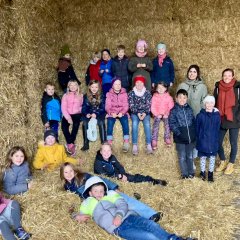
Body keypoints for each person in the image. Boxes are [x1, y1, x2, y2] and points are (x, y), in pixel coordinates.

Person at [75, 176, 194, 240]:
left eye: (101, 190)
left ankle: (175, 239)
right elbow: (78, 215)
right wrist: (76, 216)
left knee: (151, 225)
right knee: (148, 237)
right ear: (90, 193)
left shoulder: (109, 195)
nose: (99, 193)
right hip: (118, 228)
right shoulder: (87, 204)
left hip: (129, 217)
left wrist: (119, 215)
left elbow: (122, 204)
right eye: (96, 191)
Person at [60, 162, 161, 221]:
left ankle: (151, 214)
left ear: (75, 171)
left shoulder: (83, 176)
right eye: (66, 172)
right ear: (62, 174)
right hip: (96, 201)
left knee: (125, 200)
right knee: (120, 212)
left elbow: (100, 179)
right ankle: (142, 220)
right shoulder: (67, 187)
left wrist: (113, 187)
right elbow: (72, 201)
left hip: (103, 192)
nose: (69, 174)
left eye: (71, 171)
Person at [177, 65, 207, 168]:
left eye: (194, 72)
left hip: (197, 116)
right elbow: (177, 99)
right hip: (184, 117)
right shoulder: (182, 85)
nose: (192, 74)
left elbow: (204, 101)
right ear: (187, 72)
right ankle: (186, 160)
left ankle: (192, 160)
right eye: (190, 71)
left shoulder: (202, 87)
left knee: (195, 139)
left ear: (197, 74)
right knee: (187, 138)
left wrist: (202, 115)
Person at [94, 143, 167, 186]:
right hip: (109, 181)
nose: (106, 153)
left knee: (134, 177)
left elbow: (119, 166)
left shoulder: (112, 157)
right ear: (100, 152)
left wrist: (123, 175)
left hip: (118, 174)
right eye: (104, 151)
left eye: (108, 150)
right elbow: (104, 176)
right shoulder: (98, 163)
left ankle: (152, 180)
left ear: (111, 151)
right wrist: (119, 176)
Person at [214, 68, 240, 175]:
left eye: (229, 75)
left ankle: (231, 163)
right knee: (217, 141)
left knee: (233, 142)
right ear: (222, 76)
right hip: (222, 118)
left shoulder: (238, 88)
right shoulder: (217, 87)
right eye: (225, 75)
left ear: (233, 76)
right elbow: (214, 103)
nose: (227, 77)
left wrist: (238, 117)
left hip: (234, 119)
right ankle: (223, 161)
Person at [169, 89, 196, 179]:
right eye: (180, 97)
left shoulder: (189, 109)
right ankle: (184, 174)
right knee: (182, 157)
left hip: (190, 138)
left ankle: (191, 173)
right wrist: (178, 133)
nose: (182, 99)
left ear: (187, 98)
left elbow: (193, 120)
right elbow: (172, 123)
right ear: (176, 98)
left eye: (184, 98)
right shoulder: (174, 110)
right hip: (180, 138)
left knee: (190, 156)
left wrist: (193, 133)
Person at [196, 96, 221, 182]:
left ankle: (210, 174)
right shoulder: (200, 115)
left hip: (213, 140)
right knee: (202, 158)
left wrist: (216, 138)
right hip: (202, 140)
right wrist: (199, 138)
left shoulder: (217, 116)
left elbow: (218, 128)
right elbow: (197, 128)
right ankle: (202, 173)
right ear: (204, 104)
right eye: (207, 103)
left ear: (214, 104)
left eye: (211, 103)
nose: (209, 104)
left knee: (212, 158)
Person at [128, 75, 152, 155]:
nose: (139, 84)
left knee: (147, 124)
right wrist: (137, 113)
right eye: (137, 82)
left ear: (143, 84)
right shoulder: (131, 93)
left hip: (145, 113)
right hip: (135, 113)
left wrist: (145, 113)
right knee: (134, 124)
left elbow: (149, 104)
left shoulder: (147, 93)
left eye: (141, 82)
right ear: (135, 83)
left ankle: (149, 144)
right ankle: (135, 145)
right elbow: (131, 105)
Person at [105, 77, 130, 152]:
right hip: (112, 112)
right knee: (110, 122)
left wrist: (122, 113)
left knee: (125, 122)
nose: (118, 85)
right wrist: (110, 113)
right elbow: (107, 105)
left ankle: (126, 141)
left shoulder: (124, 94)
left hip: (122, 112)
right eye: (116, 84)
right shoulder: (109, 94)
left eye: (119, 84)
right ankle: (109, 142)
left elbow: (126, 105)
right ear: (112, 85)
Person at [81, 80, 106, 151]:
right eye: (92, 87)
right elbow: (84, 107)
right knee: (85, 123)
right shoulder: (86, 96)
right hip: (89, 114)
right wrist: (86, 114)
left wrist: (96, 113)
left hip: (99, 113)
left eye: (96, 87)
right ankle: (86, 143)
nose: (94, 89)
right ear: (89, 87)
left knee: (101, 122)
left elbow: (103, 108)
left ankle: (104, 143)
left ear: (99, 88)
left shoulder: (102, 95)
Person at [61, 80, 83, 156]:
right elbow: (63, 108)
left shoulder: (81, 95)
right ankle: (71, 144)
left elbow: (82, 106)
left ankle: (70, 143)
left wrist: (79, 110)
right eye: (71, 85)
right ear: (68, 87)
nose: (73, 87)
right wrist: (68, 118)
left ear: (77, 87)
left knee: (76, 126)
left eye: (75, 85)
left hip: (77, 114)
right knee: (64, 127)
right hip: (67, 114)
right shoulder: (65, 96)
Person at [151, 81, 174, 150]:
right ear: (156, 89)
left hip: (165, 114)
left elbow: (171, 107)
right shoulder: (154, 97)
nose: (161, 89)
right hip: (157, 114)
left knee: (167, 124)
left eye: (163, 87)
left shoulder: (169, 97)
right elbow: (153, 107)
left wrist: (166, 114)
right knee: (156, 124)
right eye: (159, 88)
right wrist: (157, 114)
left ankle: (167, 138)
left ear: (166, 88)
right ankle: (154, 140)